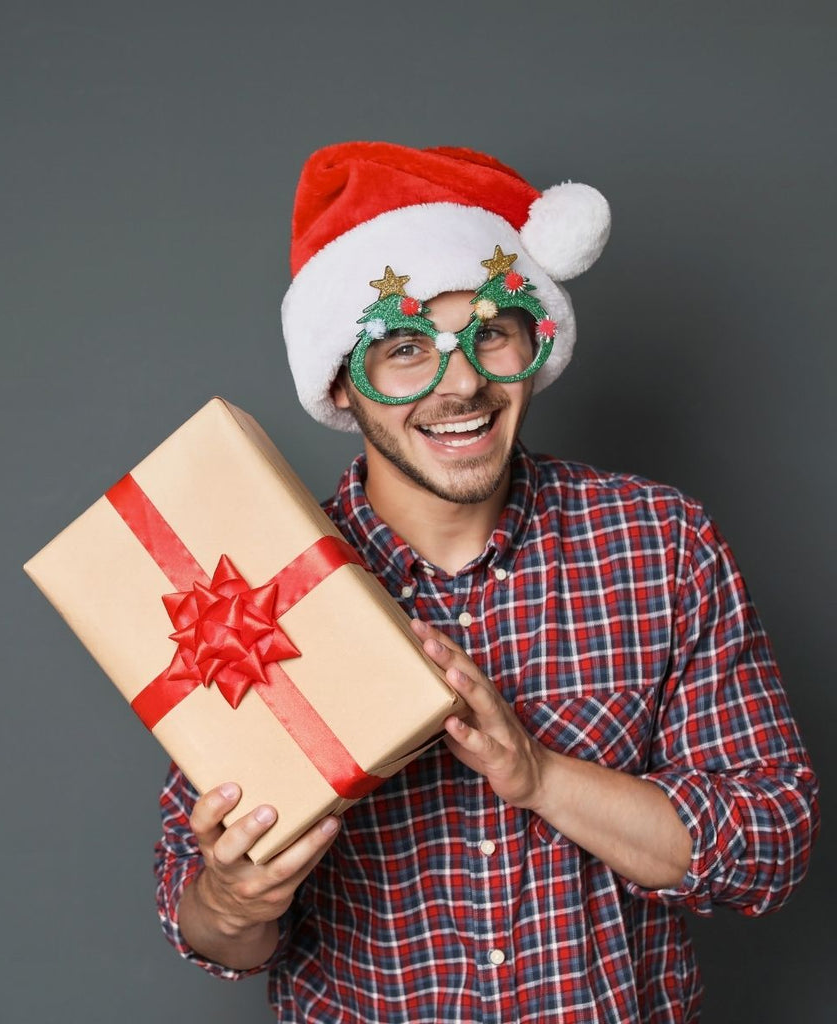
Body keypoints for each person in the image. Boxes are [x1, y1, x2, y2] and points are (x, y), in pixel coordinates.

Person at [153, 142, 819, 1022]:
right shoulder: (260, 593)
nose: (462, 382)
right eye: (405, 348)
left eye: (490, 334)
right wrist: (233, 901)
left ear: (532, 343)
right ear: (340, 384)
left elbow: (769, 842)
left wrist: (538, 775)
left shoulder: (662, 542)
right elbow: (210, 927)